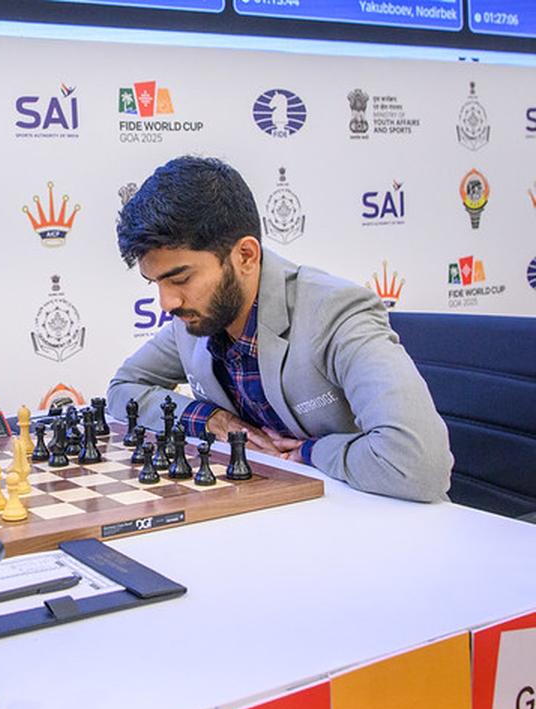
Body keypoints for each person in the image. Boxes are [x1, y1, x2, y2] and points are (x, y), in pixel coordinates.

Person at [107, 156, 452, 503]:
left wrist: (310, 453)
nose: (167, 302)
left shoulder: (335, 314)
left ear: (245, 255)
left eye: (180, 278)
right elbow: (123, 390)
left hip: (377, 522)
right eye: (155, 282)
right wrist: (211, 419)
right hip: (271, 517)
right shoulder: (196, 317)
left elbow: (419, 465)